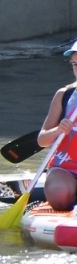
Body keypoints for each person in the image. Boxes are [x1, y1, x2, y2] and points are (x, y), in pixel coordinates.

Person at [34, 39, 77, 211]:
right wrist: (58, 130)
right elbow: (42, 140)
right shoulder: (64, 95)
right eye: (75, 64)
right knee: (59, 195)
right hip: (66, 169)